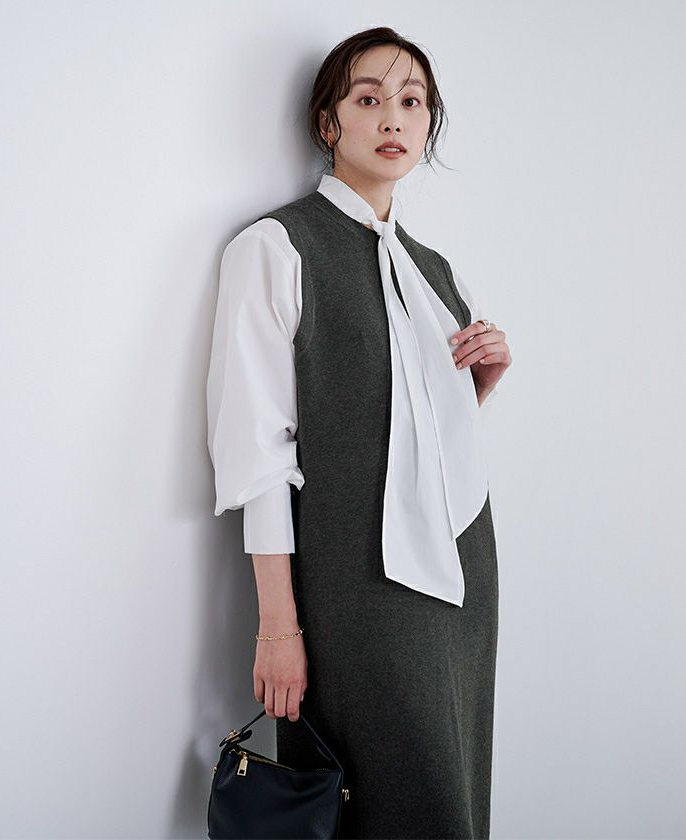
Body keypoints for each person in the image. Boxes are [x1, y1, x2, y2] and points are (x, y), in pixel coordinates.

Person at [206, 25, 512, 840]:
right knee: (382, 805)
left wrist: (476, 389)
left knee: (452, 804)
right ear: (328, 120)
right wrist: (279, 627)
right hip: (357, 587)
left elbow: (408, 437)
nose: (393, 118)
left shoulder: (436, 272)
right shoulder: (276, 248)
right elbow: (259, 457)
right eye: (369, 98)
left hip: (464, 579)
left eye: (412, 102)